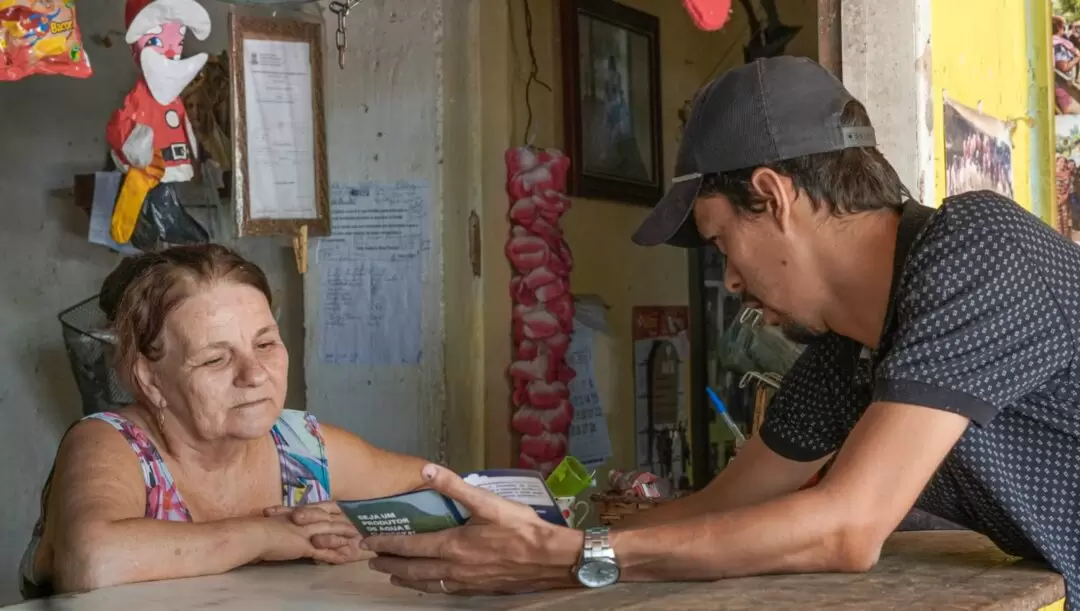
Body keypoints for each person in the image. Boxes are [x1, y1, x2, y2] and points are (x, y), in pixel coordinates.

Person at [347, 57, 1080, 609]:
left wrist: (571, 557)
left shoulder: (980, 249)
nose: (728, 280)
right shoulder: (855, 349)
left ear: (772, 195)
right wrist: (525, 529)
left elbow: (847, 528)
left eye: (721, 240)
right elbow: (728, 503)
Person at [20, 244, 427, 596]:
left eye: (265, 343)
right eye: (215, 359)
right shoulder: (111, 443)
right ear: (150, 379)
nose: (254, 375)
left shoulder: (301, 447)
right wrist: (270, 534)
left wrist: (366, 531)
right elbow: (92, 562)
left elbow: (445, 493)